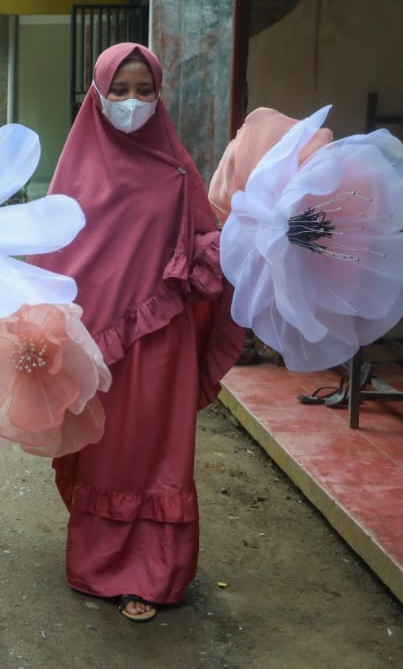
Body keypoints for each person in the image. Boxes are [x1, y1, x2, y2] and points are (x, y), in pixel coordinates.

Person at [27, 43, 244, 623]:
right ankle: (100, 565)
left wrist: (249, 240)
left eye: (143, 91)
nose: (131, 102)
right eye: (119, 90)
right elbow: (57, 259)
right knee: (104, 454)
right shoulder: (75, 173)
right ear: (97, 93)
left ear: (159, 95)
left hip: (162, 340)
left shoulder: (177, 170)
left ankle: (154, 572)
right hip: (97, 345)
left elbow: (204, 246)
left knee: (157, 455)